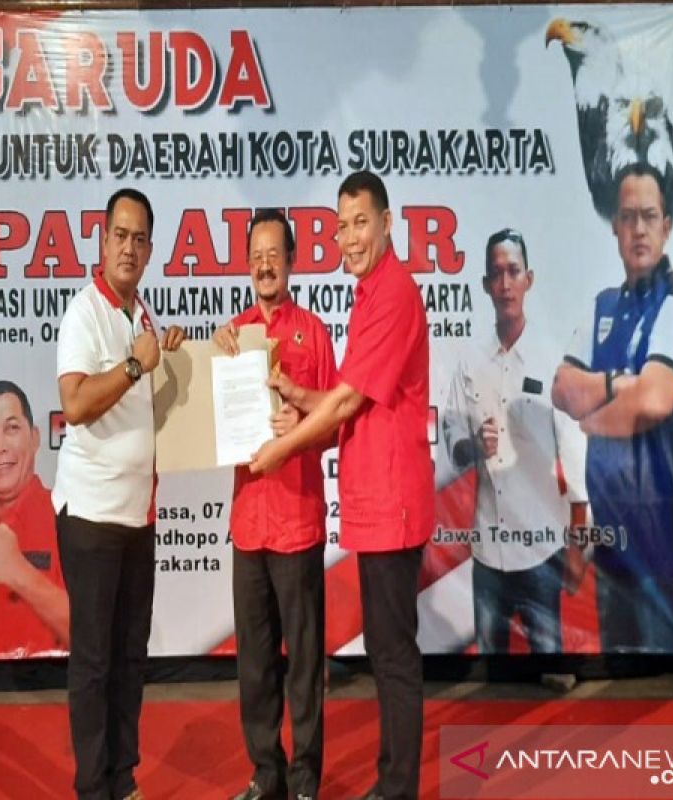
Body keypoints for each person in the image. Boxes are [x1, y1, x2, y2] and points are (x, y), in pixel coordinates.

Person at [251, 172, 432, 800]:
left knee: (394, 657)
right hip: (376, 503)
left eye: (361, 223)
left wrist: (280, 447)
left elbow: (349, 399)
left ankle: (397, 788)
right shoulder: (370, 292)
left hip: (393, 501)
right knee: (386, 651)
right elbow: (343, 394)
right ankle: (391, 783)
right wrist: (300, 396)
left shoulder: (391, 295)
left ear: (387, 222)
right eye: (341, 226)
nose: (350, 238)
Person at [53, 187, 184, 800]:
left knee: (131, 657)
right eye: (119, 236)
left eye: (139, 239)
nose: (128, 248)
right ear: (101, 241)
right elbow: (75, 404)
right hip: (92, 516)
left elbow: (145, 408)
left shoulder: (143, 316)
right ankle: (92, 788)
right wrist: (135, 364)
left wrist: (172, 363)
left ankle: (122, 779)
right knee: (95, 663)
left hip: (137, 515)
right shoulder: (85, 312)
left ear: (150, 249)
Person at [214, 209, 338, 800]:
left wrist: (302, 421)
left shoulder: (313, 333)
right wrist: (205, 366)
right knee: (256, 664)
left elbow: (338, 423)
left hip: (297, 520)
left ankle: (307, 778)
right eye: (256, 255)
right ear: (248, 264)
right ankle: (268, 774)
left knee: (305, 662)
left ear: (291, 262)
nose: (265, 265)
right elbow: (207, 427)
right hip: (248, 524)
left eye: (275, 255)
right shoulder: (231, 335)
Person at [552, 162, 673, 653]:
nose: (639, 229)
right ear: (614, 225)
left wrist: (593, 416)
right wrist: (617, 382)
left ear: (667, 226)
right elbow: (561, 388)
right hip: (612, 546)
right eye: (629, 216)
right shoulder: (601, 306)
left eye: (649, 216)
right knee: (617, 692)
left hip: (662, 545)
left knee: (657, 698)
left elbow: (654, 400)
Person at [436, 229, 588, 654]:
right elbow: (452, 445)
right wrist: (472, 447)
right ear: (486, 285)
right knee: (492, 683)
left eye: (513, 272)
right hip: (487, 555)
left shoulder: (552, 357)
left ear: (529, 279)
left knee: (551, 674)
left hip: (542, 552)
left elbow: (574, 456)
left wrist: (578, 550)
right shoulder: (469, 361)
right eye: (497, 274)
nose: (505, 283)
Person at [0, 380, 69, 657]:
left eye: (11, 429)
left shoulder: (67, 519)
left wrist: (20, 573)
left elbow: (98, 634)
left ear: (34, 439)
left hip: (50, 695)